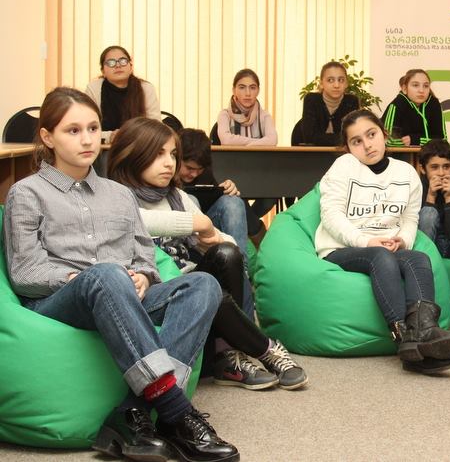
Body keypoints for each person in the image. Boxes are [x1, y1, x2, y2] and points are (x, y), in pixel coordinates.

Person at [4, 87, 238, 462]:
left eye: (93, 128)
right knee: (106, 275)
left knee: (202, 285)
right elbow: (24, 271)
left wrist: (144, 276)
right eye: (73, 130)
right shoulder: (26, 193)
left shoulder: (119, 194)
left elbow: (144, 254)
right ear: (48, 137)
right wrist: (80, 279)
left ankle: (132, 413)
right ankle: (176, 412)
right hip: (60, 303)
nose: (87, 139)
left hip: (124, 296)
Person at [107, 118, 308, 391]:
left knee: (226, 253)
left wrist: (211, 239)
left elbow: (227, 243)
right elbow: (137, 220)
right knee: (207, 289)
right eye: (158, 154)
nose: (169, 163)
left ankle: (228, 355)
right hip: (158, 290)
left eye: (173, 155)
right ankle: (267, 349)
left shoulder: (176, 196)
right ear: (132, 154)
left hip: (191, 277)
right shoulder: (114, 196)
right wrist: (196, 223)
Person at [316, 109, 450, 374]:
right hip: (342, 248)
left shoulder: (405, 172)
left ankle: (423, 332)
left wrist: (403, 240)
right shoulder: (344, 166)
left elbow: (410, 218)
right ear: (348, 147)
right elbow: (331, 216)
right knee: (381, 256)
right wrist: (366, 241)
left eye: (371, 134)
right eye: (356, 141)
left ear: (383, 134)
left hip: (387, 246)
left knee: (419, 258)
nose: (367, 145)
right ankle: (404, 338)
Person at [178, 128, 267, 250]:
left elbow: (216, 204)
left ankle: (239, 261)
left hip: (208, 227)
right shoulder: (165, 174)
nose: (194, 174)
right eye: (189, 168)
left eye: (199, 169)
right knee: (190, 200)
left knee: (232, 201)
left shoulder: (205, 170)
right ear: (176, 158)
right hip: (180, 229)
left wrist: (227, 189)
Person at [85, 45, 161, 143]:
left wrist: (128, 136)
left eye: (123, 61)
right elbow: (87, 128)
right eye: (111, 62)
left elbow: (156, 127)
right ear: (103, 71)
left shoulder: (146, 88)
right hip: (105, 146)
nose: (118, 65)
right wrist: (110, 136)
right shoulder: (94, 88)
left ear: (131, 67)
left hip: (139, 145)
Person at [299, 61, 360, 145]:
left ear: (346, 84)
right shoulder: (312, 100)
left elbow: (353, 135)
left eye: (341, 80)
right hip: (309, 151)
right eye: (330, 80)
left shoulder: (351, 101)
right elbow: (309, 137)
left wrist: (321, 138)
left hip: (342, 152)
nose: (336, 85)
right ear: (321, 84)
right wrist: (341, 139)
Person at [382, 69, 446, 147]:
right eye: (415, 85)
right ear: (404, 89)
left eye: (426, 86)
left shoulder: (434, 104)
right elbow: (388, 141)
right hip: (400, 154)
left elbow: (443, 140)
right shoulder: (396, 105)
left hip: (429, 153)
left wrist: (416, 140)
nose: (421, 90)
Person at [217, 68, 278, 146]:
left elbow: (273, 140)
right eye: (242, 87)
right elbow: (226, 141)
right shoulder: (225, 115)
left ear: (258, 91)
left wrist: (242, 144)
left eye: (252, 88)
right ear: (234, 90)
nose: (248, 93)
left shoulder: (264, 115)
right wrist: (260, 142)